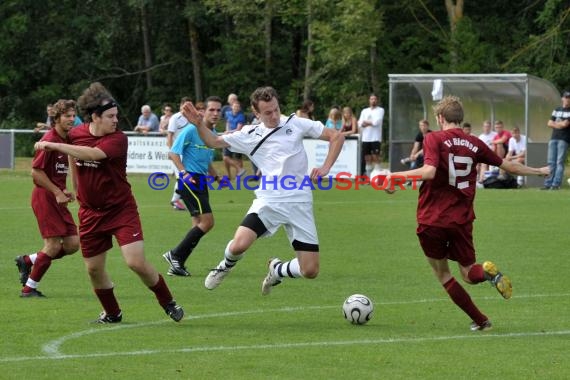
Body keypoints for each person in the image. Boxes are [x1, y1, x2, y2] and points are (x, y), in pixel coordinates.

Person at [385, 96, 549, 331]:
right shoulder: (475, 143)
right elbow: (509, 165)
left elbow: (429, 171)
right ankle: (487, 273)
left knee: (443, 274)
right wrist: (539, 170)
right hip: (462, 219)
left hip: (433, 218)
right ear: (460, 119)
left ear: (440, 118)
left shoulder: (433, 138)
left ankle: (482, 320)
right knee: (469, 272)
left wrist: (395, 176)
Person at [34, 82, 184, 323]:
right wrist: (75, 186)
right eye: (110, 116)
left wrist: (53, 145)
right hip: (90, 212)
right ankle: (112, 313)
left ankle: (168, 301)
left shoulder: (118, 139)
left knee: (134, 262)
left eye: (116, 116)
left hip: (120, 209)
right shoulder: (77, 134)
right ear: (95, 117)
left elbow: (91, 155)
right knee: (93, 269)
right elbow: (75, 154)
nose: (116, 120)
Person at [181, 86, 344, 295]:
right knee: (239, 244)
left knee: (310, 270)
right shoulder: (249, 134)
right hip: (270, 201)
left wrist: (325, 167)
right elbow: (213, 141)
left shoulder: (296, 123)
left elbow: (336, 136)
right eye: (267, 112)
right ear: (256, 113)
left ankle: (277, 270)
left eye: (276, 109)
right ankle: (225, 265)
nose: (274, 115)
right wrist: (197, 124)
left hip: (300, 202)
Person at [15, 99, 80, 297]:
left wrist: (67, 190)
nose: (71, 119)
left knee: (72, 244)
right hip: (44, 197)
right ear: (56, 118)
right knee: (52, 245)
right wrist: (57, 191)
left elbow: (65, 167)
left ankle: (28, 261)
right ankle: (29, 289)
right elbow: (35, 173)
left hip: (57, 196)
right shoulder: (50, 138)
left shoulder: (66, 139)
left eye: (72, 115)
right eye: (67, 116)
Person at [163, 96, 222, 277]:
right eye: (211, 109)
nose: (215, 113)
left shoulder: (212, 134)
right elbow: (173, 153)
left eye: (219, 110)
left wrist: (217, 177)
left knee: (197, 224)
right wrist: (184, 173)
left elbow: (207, 161)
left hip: (201, 180)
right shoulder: (190, 130)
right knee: (208, 222)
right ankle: (174, 255)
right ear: (203, 111)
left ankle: (177, 264)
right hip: (191, 181)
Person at [167, 97, 192, 211]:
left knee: (186, 176)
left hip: (188, 151)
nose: (187, 107)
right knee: (182, 176)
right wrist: (171, 151)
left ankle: (178, 199)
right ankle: (175, 199)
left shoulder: (192, 117)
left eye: (189, 105)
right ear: (181, 105)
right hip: (177, 152)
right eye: (185, 105)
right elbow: (170, 136)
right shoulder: (175, 118)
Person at [542, 90, 570, 190]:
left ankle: (556, 184)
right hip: (553, 138)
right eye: (566, 97)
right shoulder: (557, 109)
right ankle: (548, 184)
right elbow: (549, 123)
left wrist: (556, 124)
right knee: (550, 162)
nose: (567, 100)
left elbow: (566, 124)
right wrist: (560, 124)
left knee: (559, 162)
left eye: (569, 98)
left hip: (564, 139)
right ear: (562, 98)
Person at [357, 94, 384, 176]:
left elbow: (377, 122)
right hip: (366, 138)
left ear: (377, 100)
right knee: (367, 158)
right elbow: (359, 123)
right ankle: (369, 176)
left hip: (375, 138)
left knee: (376, 157)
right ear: (369, 100)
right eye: (372, 99)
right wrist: (367, 123)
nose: (373, 100)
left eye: (375, 99)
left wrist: (366, 123)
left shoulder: (380, 110)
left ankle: (377, 174)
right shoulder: (364, 111)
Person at [223, 100, 246, 179]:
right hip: (228, 138)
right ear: (231, 107)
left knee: (238, 158)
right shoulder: (228, 114)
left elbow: (238, 129)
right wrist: (227, 131)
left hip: (237, 139)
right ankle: (238, 170)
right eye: (235, 106)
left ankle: (239, 177)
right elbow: (228, 123)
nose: (236, 108)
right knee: (225, 157)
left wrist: (228, 131)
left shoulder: (241, 116)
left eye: (238, 107)